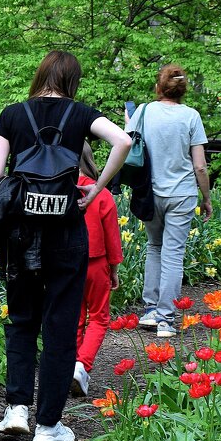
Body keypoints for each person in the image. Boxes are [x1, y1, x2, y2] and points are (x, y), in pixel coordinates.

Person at [0, 50, 132, 441]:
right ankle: (49, 427)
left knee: (21, 319)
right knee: (60, 325)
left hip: (20, 234)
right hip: (66, 233)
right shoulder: (82, 114)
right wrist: (97, 188)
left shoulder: (12, 114)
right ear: (72, 81)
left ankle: (16, 410)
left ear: (40, 75)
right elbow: (123, 140)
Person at [125, 64, 212, 339]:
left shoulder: (143, 111)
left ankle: (150, 311)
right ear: (183, 91)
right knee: (173, 253)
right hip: (182, 194)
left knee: (154, 246)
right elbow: (199, 166)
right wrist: (206, 198)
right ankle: (166, 319)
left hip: (149, 192)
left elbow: (127, 144)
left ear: (158, 87)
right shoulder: (191, 116)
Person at [71, 144, 123, 396]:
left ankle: (71, 365)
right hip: (96, 262)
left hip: (67, 264)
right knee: (99, 317)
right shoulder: (99, 191)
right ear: (89, 159)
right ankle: (82, 366)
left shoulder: (61, 190)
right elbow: (112, 235)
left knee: (75, 317)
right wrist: (114, 268)